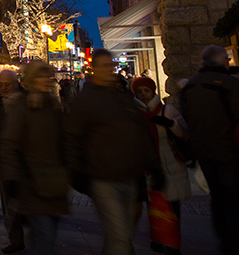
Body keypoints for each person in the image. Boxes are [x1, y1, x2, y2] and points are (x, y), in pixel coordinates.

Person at [64, 48, 161, 255]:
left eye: (111, 65)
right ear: (94, 69)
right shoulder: (86, 99)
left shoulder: (123, 95)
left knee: (121, 233)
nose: (110, 69)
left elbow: (140, 132)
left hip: (130, 175)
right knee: (120, 236)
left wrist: (153, 165)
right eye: (105, 66)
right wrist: (76, 174)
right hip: (103, 178)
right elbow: (72, 138)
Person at [1, 61, 68, 255]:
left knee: (45, 234)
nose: (46, 80)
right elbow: (9, 145)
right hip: (31, 183)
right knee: (45, 235)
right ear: (31, 79)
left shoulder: (54, 106)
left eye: (48, 76)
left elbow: (64, 141)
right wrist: (12, 178)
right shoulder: (21, 107)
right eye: (41, 76)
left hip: (54, 183)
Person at [179, 45, 239, 255]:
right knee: (233, 199)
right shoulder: (230, 84)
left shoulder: (190, 86)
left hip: (203, 151)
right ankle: (233, 241)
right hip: (228, 150)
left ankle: (223, 238)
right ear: (223, 61)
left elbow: (185, 116)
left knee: (218, 197)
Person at [132, 75, 190, 255]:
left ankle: (173, 244)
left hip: (171, 165)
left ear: (153, 91)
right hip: (148, 168)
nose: (143, 95)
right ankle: (158, 238)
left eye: (146, 91)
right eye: (139, 92)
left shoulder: (167, 110)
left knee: (173, 206)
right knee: (154, 206)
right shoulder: (134, 114)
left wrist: (170, 124)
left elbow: (184, 134)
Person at [0, 69, 25, 254]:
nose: (2, 88)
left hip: (24, 157)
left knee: (24, 197)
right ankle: (15, 238)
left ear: (16, 83)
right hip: (3, 157)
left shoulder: (25, 101)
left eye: (7, 84)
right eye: (0, 84)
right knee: (7, 199)